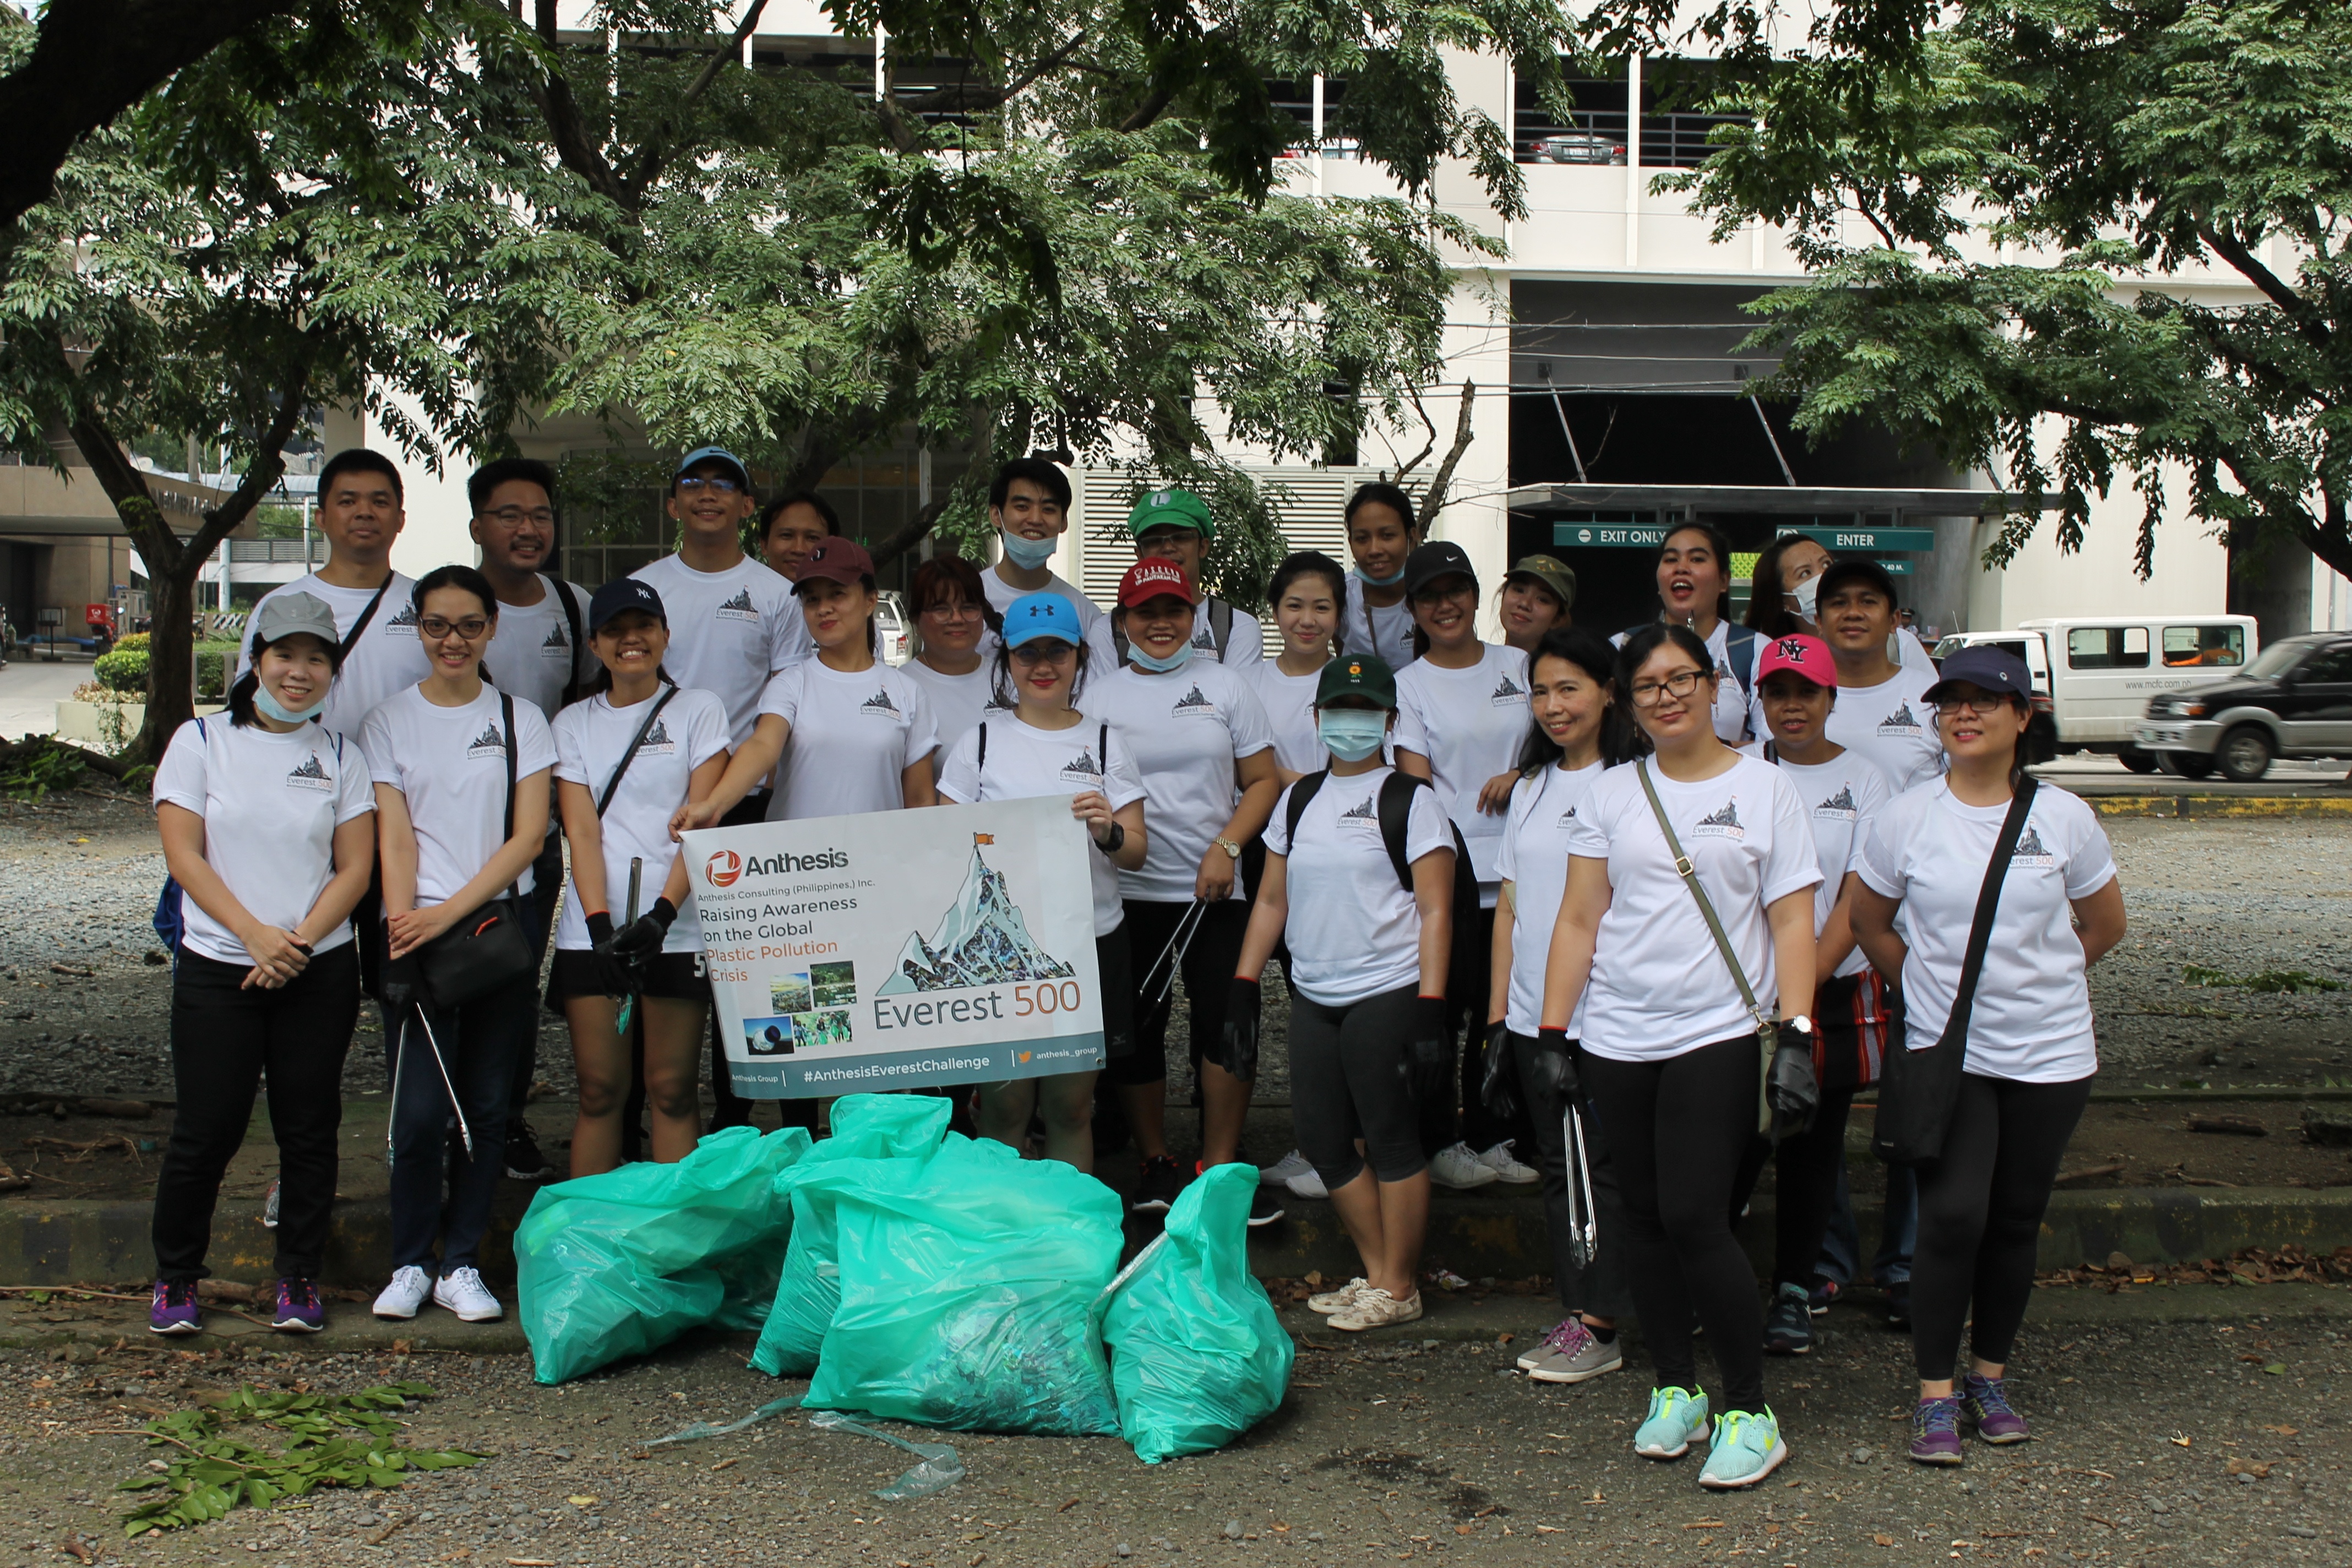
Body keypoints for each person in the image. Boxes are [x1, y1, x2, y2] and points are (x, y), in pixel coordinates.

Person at [1539, 622, 1822, 1490]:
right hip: (1619, 1034)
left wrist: (1799, 1033)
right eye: (1649, 686)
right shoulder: (1613, 794)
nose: (1667, 697)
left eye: (1681, 679)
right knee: (1644, 1221)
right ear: (1630, 702)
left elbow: (1791, 921)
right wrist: (1554, 1034)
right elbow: (1581, 918)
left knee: (1701, 1218)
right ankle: (1675, 1389)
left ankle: (1749, 1409)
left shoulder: (1768, 789)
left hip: (1720, 1032)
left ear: (1711, 686)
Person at [1850, 645, 2126, 1466]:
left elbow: (2103, 927)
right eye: (1951, 702)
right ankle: (1935, 1395)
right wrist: (1929, 991)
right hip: (1951, 1053)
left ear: (2021, 716)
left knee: (2013, 1221)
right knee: (1955, 1215)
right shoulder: (1906, 817)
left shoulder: (2065, 817)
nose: (1963, 715)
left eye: (1984, 701)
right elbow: (1870, 924)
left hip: (2051, 1054)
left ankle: (1988, 1377)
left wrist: (2036, 983)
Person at [147, 593, 377, 1336]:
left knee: (308, 1126)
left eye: (316, 660)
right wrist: (254, 935)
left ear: (333, 672)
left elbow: (355, 870)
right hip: (221, 963)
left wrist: (298, 943)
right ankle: (176, 1277)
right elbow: (184, 853)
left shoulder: (341, 756)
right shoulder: (202, 742)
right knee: (207, 1128)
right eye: (285, 656)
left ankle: (299, 1279)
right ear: (256, 661)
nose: (299, 672)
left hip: (317, 967)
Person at [363, 566, 558, 1325]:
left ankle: (462, 1262)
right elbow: (395, 836)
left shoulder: (520, 719)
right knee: (416, 1114)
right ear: (419, 628)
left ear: (491, 630)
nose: (453, 640)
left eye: (469, 625)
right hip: (415, 935)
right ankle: (409, 1260)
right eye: (438, 625)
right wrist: (409, 923)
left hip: (492, 937)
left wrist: (451, 915)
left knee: (482, 1105)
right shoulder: (388, 721)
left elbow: (527, 839)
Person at [1235, 654, 1453, 1331]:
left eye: (1367, 710)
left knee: (1389, 1139)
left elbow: (1437, 911)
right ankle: (1385, 1274)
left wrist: (1432, 1006)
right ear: (1316, 717)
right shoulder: (1296, 800)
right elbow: (1272, 897)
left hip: (1387, 988)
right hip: (1314, 990)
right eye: (1339, 709)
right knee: (1324, 1142)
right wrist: (1245, 982)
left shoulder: (1412, 801)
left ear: (1389, 721)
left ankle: (1395, 1284)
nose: (1351, 722)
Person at [1095, 558, 1281, 1219]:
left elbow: (1264, 780)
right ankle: (1154, 1161)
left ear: (1195, 613)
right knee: (1138, 1028)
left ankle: (1220, 1164)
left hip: (1214, 890)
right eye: (1146, 612)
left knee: (1227, 1023)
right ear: (1124, 622)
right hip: (1127, 891)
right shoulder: (1098, 696)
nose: (1162, 623)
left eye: (1174, 610)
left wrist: (1227, 846)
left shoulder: (1226, 686)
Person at [938, 592, 1148, 1171]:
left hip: (1089, 944)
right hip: (1002, 953)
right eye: (1028, 653)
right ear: (1007, 661)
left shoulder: (1107, 741)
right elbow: (941, 846)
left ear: (1079, 657)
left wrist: (1107, 830)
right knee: (1005, 1110)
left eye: (1057, 650)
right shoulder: (980, 742)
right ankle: (1006, 1238)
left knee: (1071, 1108)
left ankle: (1069, 1235)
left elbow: (1136, 851)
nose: (1043, 665)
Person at [633, 446, 809, 1131]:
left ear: (746, 506)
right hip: (667, 810)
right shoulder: (646, 587)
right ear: (673, 502)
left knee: (761, 976)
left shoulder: (774, 593)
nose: (709, 494)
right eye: (694, 483)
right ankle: (658, 1125)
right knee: (671, 966)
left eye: (725, 485)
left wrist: (737, 788)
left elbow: (787, 703)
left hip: (752, 808)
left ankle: (758, 1122)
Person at [1489, 628, 1645, 1384]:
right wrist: (1497, 1020)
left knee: (1601, 1169)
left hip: (1604, 1016)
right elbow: (1511, 909)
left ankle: (1603, 1322)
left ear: (1609, 691)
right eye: (1542, 691)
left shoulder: (1635, 784)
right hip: (1531, 1016)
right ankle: (1581, 1307)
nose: (1554, 706)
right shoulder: (1531, 788)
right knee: (1561, 1167)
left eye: (1570, 688)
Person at [1734, 634, 1895, 1358]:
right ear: (1759, 700)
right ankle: (1721, 1284)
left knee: (1811, 1148)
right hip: (1738, 993)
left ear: (1831, 699)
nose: (1791, 707)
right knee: (1733, 1144)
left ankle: (1795, 1291)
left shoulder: (1870, 783)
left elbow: (1856, 903)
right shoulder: (1736, 772)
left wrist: (1801, 983)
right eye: (1777, 693)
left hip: (1827, 990)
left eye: (1806, 693)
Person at [547, 580, 731, 1176]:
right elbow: (581, 831)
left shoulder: (699, 709)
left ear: (665, 635)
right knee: (601, 1090)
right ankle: (591, 1241)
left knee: (673, 1086)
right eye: (616, 630)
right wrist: (600, 926)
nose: (632, 639)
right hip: (593, 929)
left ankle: (676, 1235)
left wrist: (663, 914)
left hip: (676, 926)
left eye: (644, 626)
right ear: (596, 643)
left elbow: (701, 822)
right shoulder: (572, 723)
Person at [1391, 540, 1536, 1190]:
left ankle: (1495, 1133)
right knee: (1444, 1010)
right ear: (1414, 609)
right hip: (1453, 878)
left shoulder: (1522, 665)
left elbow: (1562, 738)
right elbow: (1416, 785)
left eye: (1455, 590)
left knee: (1502, 1008)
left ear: (1477, 596)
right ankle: (1440, 1140)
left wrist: (1522, 772)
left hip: (1522, 873)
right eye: (1429, 595)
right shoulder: (1409, 684)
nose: (1444, 605)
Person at [470, 454, 595, 1184]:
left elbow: (586, 712)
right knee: (438, 980)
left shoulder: (573, 607)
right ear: (479, 525)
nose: (528, 529)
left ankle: (504, 1121)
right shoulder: (446, 601)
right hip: (444, 835)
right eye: (510, 515)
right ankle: (442, 1122)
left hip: (535, 838)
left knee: (515, 979)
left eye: (541, 515)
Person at [678, 536, 938, 829]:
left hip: (877, 865)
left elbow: (919, 801)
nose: (823, 608)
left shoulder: (907, 692)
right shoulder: (790, 685)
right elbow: (763, 745)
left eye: (837, 594)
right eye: (812, 599)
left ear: (869, 601)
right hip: (801, 867)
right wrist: (713, 807)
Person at [236, 449, 432, 744]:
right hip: (311, 779)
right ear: (322, 519)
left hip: (406, 781)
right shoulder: (280, 604)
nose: (364, 512)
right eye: (347, 501)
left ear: (401, 519)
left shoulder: (428, 605)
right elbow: (250, 703)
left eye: (380, 502)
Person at [1802, 559, 1944, 794]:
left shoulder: (1931, 698)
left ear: (1893, 620)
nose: (1853, 613)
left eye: (1868, 602)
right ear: (1819, 622)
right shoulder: (1795, 699)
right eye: (1839, 603)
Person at [1085, 488, 1263, 669]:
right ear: (1139, 554)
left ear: (1203, 547)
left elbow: (1237, 696)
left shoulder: (1236, 627)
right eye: (1154, 540)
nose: (1168, 548)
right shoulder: (1107, 632)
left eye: (1181, 537)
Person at [1614, 523, 1755, 744]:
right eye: (1671, 559)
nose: (1681, 568)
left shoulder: (1755, 649)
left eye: (1697, 559)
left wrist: (1698, 755)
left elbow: (1774, 748)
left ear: (1724, 581)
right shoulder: (1621, 646)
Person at [1245, 551, 1349, 783]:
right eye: (1294, 606)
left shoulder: (1354, 686)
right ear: (1275, 612)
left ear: (1339, 616)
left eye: (1321, 608)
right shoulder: (1244, 685)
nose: (1307, 620)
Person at [978, 459, 1102, 642]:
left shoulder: (1086, 615)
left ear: (1064, 522)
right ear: (996, 516)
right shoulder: (967, 603)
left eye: (1048, 509)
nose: (1036, 519)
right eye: (1022, 507)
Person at [902, 555, 1004, 757]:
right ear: (915, 619)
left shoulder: (1009, 679)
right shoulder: (902, 687)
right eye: (941, 610)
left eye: (968, 608)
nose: (957, 619)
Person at [1338, 482, 1420, 671]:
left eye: (1387, 536)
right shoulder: (1340, 595)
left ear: (1411, 538)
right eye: (1362, 539)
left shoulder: (1433, 592)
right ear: (1351, 543)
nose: (1374, 550)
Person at [1497, 555, 1578, 654]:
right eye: (1519, 590)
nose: (1524, 604)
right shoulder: (1477, 663)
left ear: (1557, 619)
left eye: (1542, 599)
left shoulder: (1563, 669)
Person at [759, 489, 838, 582]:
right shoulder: (744, 592)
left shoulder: (854, 594)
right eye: (787, 535)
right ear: (764, 545)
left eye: (812, 538)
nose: (799, 549)